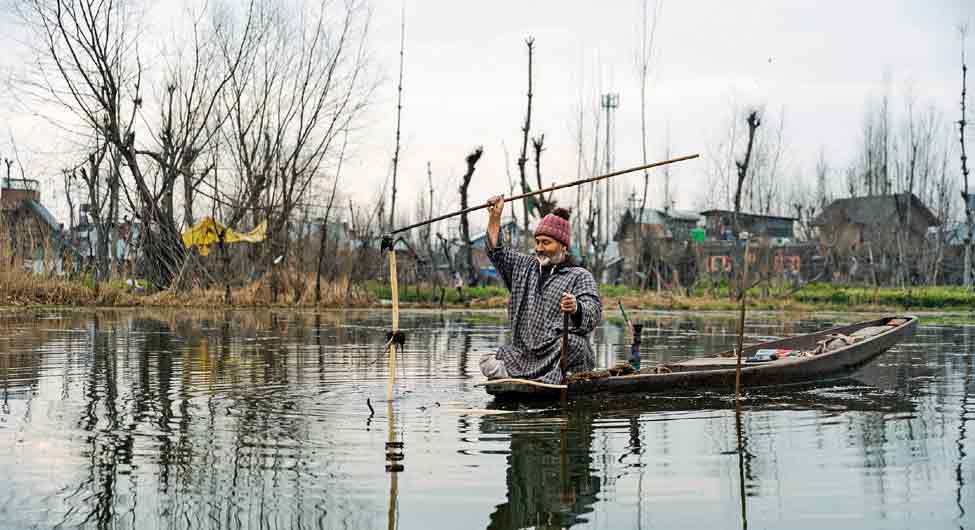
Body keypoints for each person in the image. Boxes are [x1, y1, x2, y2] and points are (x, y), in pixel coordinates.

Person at [479, 195, 602, 384]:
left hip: (556, 351)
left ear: (564, 246)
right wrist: (495, 216)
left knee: (576, 346)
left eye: (546, 242)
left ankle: (540, 378)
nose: (539, 248)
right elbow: (498, 252)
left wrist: (576, 307)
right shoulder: (524, 267)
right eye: (537, 242)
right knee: (486, 360)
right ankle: (537, 377)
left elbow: (593, 314)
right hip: (525, 353)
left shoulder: (579, 275)